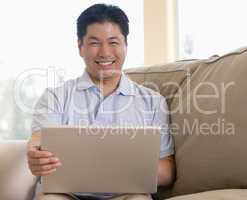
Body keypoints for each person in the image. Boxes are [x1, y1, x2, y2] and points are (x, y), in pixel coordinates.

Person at [27, 3, 175, 200]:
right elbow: (39, 140)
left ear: (126, 45)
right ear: (80, 46)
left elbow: (167, 171)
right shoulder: (55, 97)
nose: (105, 52)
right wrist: (35, 154)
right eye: (95, 42)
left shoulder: (153, 103)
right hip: (65, 194)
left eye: (113, 42)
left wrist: (115, 168)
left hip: (126, 195)